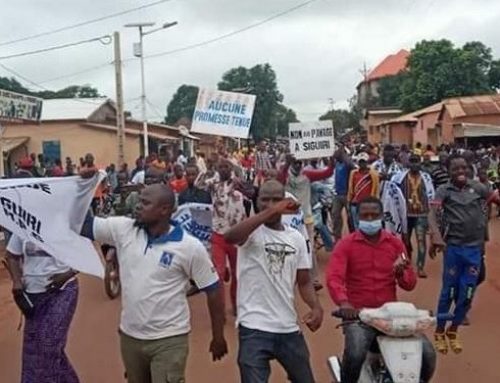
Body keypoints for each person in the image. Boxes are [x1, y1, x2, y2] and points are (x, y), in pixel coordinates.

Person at [81, 182, 227, 383]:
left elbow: (213, 289)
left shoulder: (189, 247)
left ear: (164, 210)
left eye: (145, 203)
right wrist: (81, 186)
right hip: (130, 337)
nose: (138, 206)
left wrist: (218, 336)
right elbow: (83, 225)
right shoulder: (124, 229)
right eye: (139, 201)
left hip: (169, 339)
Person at [326, 196, 436, 383]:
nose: (370, 219)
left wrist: (402, 273)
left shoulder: (395, 243)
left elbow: (409, 284)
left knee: (427, 354)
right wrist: (345, 304)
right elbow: (334, 277)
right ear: (357, 217)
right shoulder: (346, 245)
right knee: (354, 354)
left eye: (374, 215)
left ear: (382, 216)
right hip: (360, 316)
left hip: (390, 316)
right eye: (365, 216)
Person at [224, 180, 323, 383]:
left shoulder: (295, 237)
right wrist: (272, 211)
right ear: (256, 201)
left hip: (287, 327)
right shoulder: (250, 232)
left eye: (276, 200)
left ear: (286, 202)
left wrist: (315, 306)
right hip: (253, 327)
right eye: (265, 199)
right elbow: (230, 237)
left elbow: (303, 281)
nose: (270, 204)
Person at [428, 154, 499, 354]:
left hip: (474, 249)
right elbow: (432, 214)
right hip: (454, 248)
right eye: (455, 169)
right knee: (448, 292)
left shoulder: (478, 188)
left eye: (463, 168)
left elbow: (494, 198)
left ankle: (453, 330)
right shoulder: (444, 190)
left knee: (467, 293)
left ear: (469, 169)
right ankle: (440, 330)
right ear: (448, 170)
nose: (460, 172)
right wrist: (435, 236)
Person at [6, 235, 80, 383]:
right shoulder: (24, 222)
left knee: (48, 345)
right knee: (33, 351)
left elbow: (84, 256)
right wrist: (16, 282)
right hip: (32, 296)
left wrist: (67, 274)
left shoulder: (64, 222)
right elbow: (11, 256)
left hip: (62, 290)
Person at [210, 159, 246, 317]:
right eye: (221, 166)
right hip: (218, 236)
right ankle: (220, 310)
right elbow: (198, 182)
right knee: (217, 274)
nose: (223, 169)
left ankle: (236, 305)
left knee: (237, 274)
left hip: (236, 238)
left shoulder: (239, 190)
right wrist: (211, 172)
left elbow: (244, 214)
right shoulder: (214, 187)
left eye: (226, 167)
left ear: (231, 168)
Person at [392, 154, 435, 278]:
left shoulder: (426, 177)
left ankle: (420, 267)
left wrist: (431, 214)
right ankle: (407, 261)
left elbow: (431, 195)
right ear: (408, 163)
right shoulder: (400, 177)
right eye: (412, 161)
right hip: (405, 214)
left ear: (420, 163)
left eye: (417, 162)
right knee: (405, 241)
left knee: (421, 241)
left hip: (421, 214)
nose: (415, 164)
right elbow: (393, 191)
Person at [347, 152, 379, 230]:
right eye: (360, 162)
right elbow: (350, 189)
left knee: (367, 225)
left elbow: (376, 190)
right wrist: (349, 202)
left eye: (364, 162)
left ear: (367, 162)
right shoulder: (353, 173)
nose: (362, 164)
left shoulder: (373, 174)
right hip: (355, 203)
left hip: (367, 204)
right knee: (356, 225)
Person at [332, 147, 356, 239]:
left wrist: (346, 157)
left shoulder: (347, 164)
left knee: (350, 218)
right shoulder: (337, 163)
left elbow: (353, 168)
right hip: (337, 194)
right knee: (335, 215)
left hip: (347, 194)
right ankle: (337, 237)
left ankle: (353, 235)